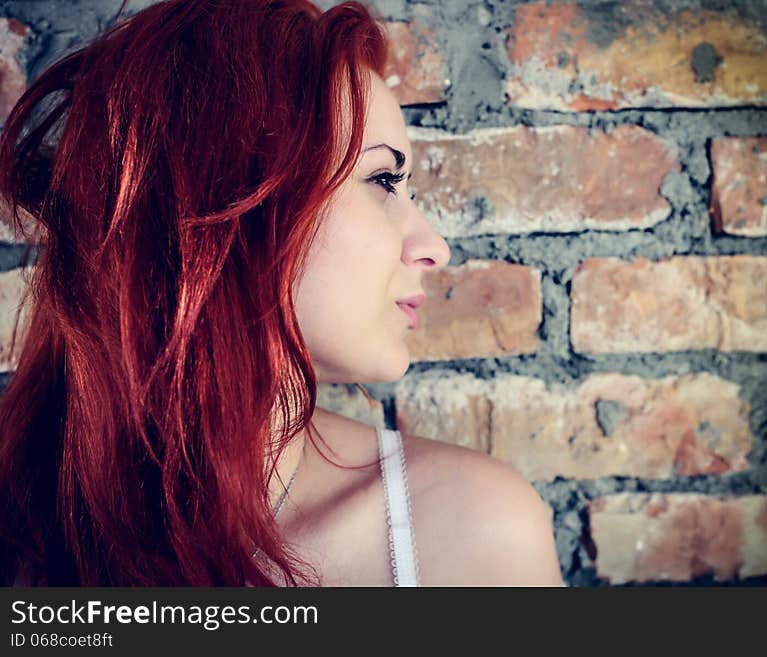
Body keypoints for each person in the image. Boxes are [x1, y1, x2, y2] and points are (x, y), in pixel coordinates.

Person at [0, 0, 563, 587]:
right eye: (382, 181)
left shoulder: (473, 533)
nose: (434, 247)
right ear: (228, 205)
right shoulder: (26, 527)